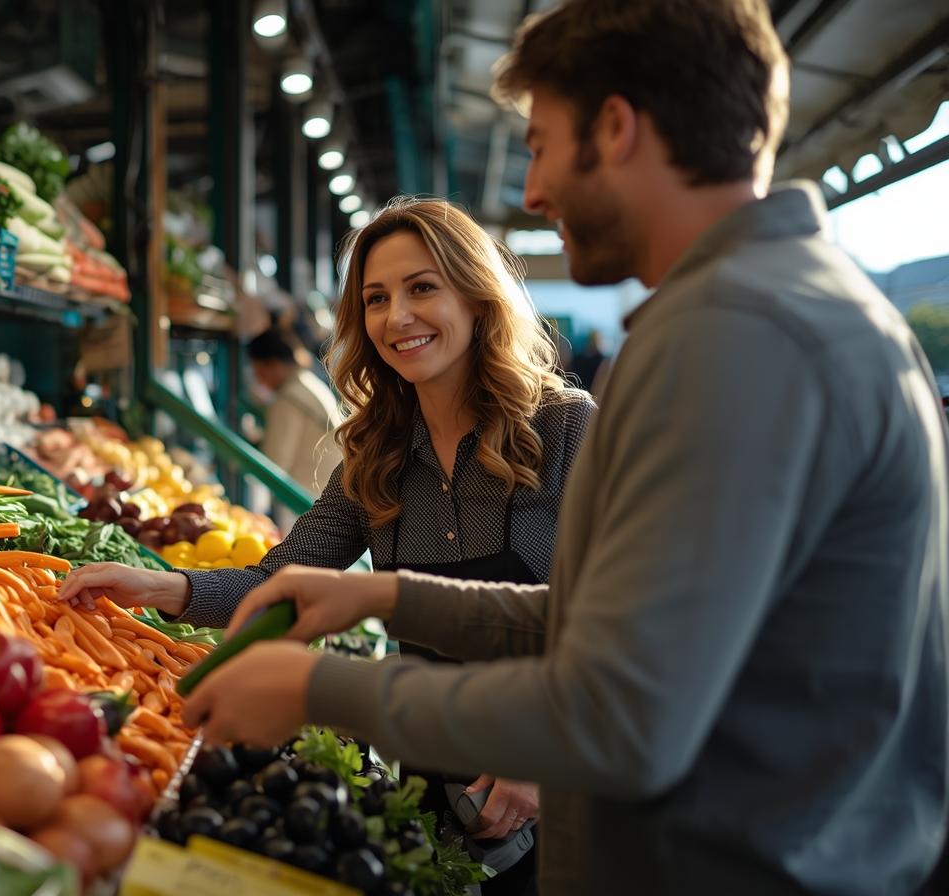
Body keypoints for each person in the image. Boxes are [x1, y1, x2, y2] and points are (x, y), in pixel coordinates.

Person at [179, 2, 948, 894]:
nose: (533, 191)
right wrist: (380, 594)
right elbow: (607, 621)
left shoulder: (736, 339)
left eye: (541, 144)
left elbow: (619, 714)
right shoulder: (790, 308)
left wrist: (319, 692)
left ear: (616, 128)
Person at [61, 197, 597, 893]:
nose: (397, 317)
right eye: (376, 298)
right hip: (434, 779)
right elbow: (284, 581)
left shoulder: (563, 429)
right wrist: (166, 588)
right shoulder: (376, 452)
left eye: (422, 288)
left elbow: (613, 620)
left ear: (476, 296)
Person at [245, 326, 342, 529]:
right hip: (327, 498)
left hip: (303, 504)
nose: (260, 380)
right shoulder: (309, 384)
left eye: (259, 371)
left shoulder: (289, 398)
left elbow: (274, 463)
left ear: (272, 365)